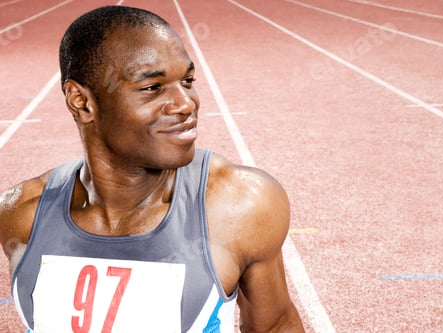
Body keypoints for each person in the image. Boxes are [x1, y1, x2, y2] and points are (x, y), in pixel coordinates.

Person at [0, 5, 304, 333]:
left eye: (187, 80)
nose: (186, 103)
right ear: (82, 102)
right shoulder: (21, 214)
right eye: (152, 88)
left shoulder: (238, 205)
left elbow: (274, 325)